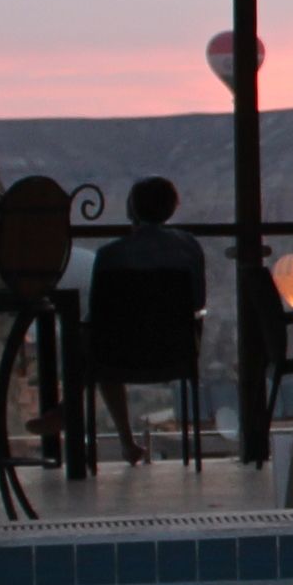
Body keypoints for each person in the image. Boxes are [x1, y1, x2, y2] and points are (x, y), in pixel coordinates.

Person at [90, 176, 209, 464]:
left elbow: (98, 313)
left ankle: (124, 441)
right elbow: (197, 302)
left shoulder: (109, 255)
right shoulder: (189, 247)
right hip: (176, 351)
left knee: (92, 348)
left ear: (132, 209)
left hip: (120, 356)